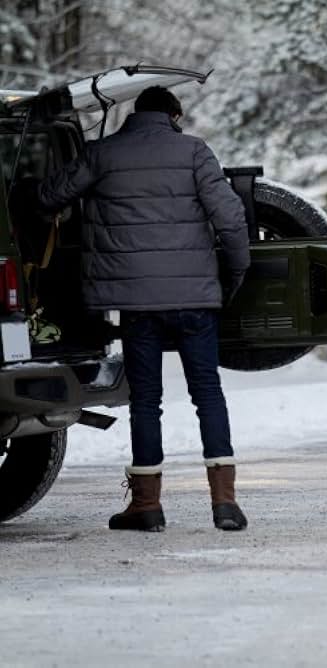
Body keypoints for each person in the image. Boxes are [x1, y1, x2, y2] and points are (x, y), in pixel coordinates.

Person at [36, 86, 251, 530]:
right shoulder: (194, 152)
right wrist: (233, 276)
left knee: (146, 401)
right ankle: (224, 502)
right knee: (207, 393)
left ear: (136, 113)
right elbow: (230, 219)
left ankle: (147, 506)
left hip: (135, 303)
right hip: (194, 299)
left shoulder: (103, 153)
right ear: (174, 115)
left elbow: (48, 197)